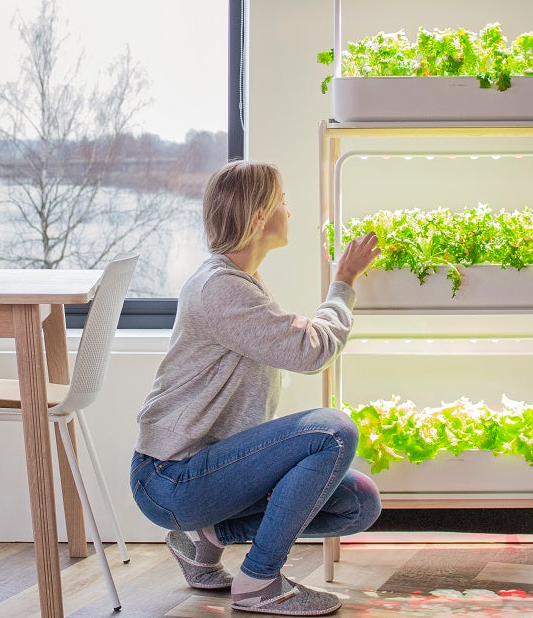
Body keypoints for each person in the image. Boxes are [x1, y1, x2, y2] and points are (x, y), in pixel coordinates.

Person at [130, 160, 382, 616]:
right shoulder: (219, 288)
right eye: (283, 201)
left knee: (357, 503)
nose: (291, 211)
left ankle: (206, 537)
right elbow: (310, 352)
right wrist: (342, 284)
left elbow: (295, 340)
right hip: (170, 480)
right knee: (332, 431)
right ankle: (260, 581)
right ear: (260, 216)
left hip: (208, 476)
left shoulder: (241, 282)